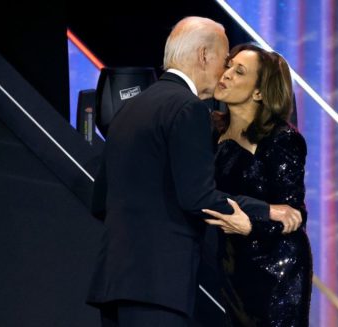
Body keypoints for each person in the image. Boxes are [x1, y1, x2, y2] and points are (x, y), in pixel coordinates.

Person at [86, 18, 302, 327]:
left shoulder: (129, 110)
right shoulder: (188, 109)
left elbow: (100, 201)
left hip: (114, 285)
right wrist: (266, 211)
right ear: (204, 56)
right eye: (225, 60)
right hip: (159, 285)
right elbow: (197, 197)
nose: (225, 71)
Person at [202, 43, 313, 326]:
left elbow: (295, 213)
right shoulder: (210, 130)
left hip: (276, 272)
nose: (225, 74)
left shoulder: (281, 139)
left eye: (239, 72)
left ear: (259, 92)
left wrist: (251, 225)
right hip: (231, 264)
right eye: (228, 65)